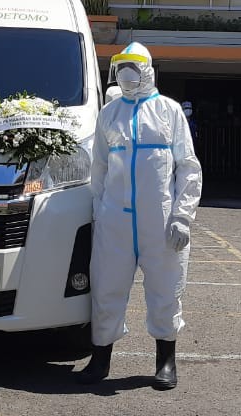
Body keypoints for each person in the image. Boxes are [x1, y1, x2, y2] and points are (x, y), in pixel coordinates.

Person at [75, 42, 202, 390]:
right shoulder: (109, 113)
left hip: (159, 219)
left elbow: (188, 167)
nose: (126, 75)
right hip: (115, 218)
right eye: (122, 68)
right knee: (106, 287)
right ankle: (100, 359)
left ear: (147, 70)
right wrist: (99, 210)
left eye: (134, 68)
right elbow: (98, 167)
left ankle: (165, 361)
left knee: (166, 287)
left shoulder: (169, 111)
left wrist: (182, 216)